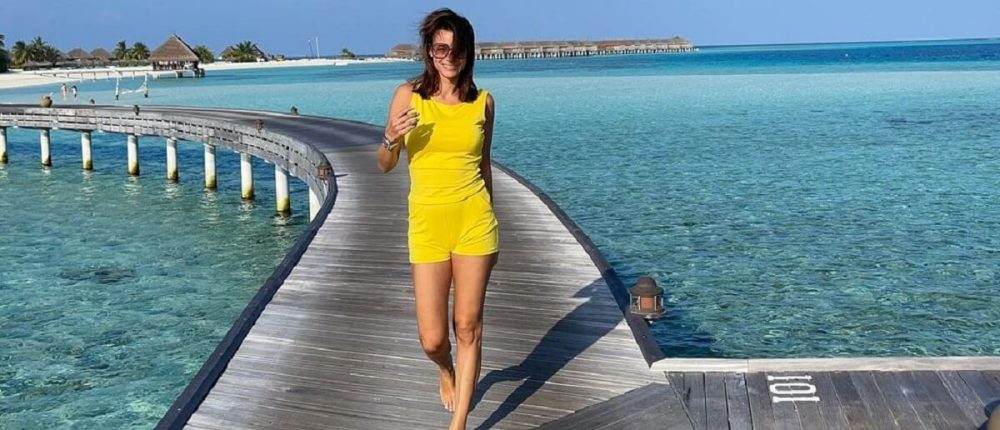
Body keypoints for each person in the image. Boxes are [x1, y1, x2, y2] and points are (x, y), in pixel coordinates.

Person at [376, 8, 498, 430]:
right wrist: (390, 138)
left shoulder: (483, 103)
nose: (450, 57)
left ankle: (459, 422)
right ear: (429, 51)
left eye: (457, 49)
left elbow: (484, 167)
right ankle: (446, 369)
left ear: (469, 53)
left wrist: (494, 228)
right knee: (432, 339)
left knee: (468, 326)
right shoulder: (408, 96)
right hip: (427, 226)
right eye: (441, 48)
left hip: (475, 222)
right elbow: (384, 165)